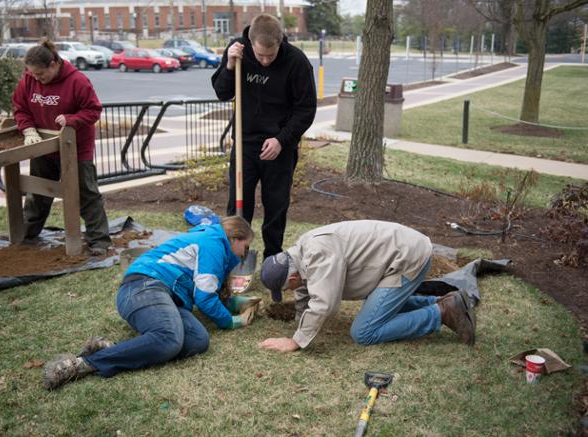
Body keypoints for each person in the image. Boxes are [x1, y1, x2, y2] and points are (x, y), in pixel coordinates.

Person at [44, 216, 261, 390]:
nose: (245, 253)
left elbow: (205, 289)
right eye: (246, 246)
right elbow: (204, 299)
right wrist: (233, 322)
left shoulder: (213, 242)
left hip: (164, 295)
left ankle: (111, 348)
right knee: (169, 339)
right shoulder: (214, 244)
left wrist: (234, 303)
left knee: (198, 340)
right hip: (143, 286)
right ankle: (85, 363)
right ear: (233, 238)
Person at [258, 220, 477, 352]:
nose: (289, 291)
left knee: (364, 331)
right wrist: (300, 322)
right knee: (372, 308)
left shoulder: (318, 254)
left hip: (407, 258)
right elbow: (305, 290)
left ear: (293, 277)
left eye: (286, 288)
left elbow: (325, 304)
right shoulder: (299, 254)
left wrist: (296, 341)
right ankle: (442, 302)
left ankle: (441, 312)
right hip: (397, 254)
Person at [211, 13, 316, 260]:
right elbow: (221, 92)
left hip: (279, 148)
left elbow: (306, 110)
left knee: (276, 208)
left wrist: (282, 139)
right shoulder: (237, 50)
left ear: (280, 42)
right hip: (245, 145)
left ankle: (273, 260)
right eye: (260, 56)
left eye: (271, 55)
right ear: (250, 42)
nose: (266, 61)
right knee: (238, 206)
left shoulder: (297, 62)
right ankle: (234, 258)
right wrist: (229, 66)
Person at [12, 39, 111, 256]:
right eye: (33, 74)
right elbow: (20, 108)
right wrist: (28, 130)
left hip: (75, 147)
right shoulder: (28, 81)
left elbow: (93, 110)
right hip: (43, 145)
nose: (37, 78)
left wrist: (72, 119)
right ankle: (28, 232)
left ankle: (99, 241)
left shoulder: (77, 81)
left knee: (86, 193)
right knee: (38, 191)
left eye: (41, 74)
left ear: (53, 64)